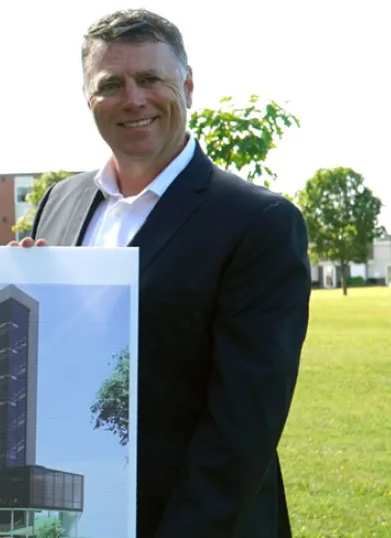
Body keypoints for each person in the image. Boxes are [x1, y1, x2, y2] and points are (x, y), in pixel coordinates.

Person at [15, 9, 310, 538]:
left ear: (188, 86)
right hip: (71, 515)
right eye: (110, 84)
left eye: (150, 79)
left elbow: (243, 426)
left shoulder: (259, 222)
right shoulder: (59, 202)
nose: (133, 99)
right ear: (88, 99)